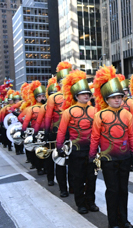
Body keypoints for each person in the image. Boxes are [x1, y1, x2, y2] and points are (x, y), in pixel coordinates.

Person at [90, 66, 133, 228]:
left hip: (124, 158)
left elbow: (130, 136)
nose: (117, 100)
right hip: (108, 159)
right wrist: (92, 155)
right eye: (113, 98)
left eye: (119, 97)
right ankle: (113, 222)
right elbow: (95, 137)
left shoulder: (127, 114)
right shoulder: (100, 115)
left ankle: (124, 219)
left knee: (123, 189)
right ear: (107, 99)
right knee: (112, 190)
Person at [57, 70, 98, 214]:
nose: (86, 96)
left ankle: (91, 202)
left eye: (88, 93)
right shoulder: (68, 112)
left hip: (92, 150)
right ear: (76, 96)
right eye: (82, 94)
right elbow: (61, 131)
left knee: (92, 178)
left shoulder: (95, 110)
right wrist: (59, 147)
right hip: (76, 151)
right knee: (78, 178)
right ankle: (80, 203)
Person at [42, 62, 72, 197]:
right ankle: (63, 188)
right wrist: (47, 132)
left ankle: (73, 186)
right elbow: (48, 116)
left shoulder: (75, 96)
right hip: (56, 133)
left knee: (73, 162)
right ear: (59, 83)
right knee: (60, 161)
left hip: (73, 133)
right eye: (62, 81)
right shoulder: (53, 97)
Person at [22, 82, 47, 176]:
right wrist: (23, 130)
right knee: (38, 151)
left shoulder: (49, 107)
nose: (42, 98)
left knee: (46, 151)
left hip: (46, 132)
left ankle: (46, 168)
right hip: (36, 132)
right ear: (36, 98)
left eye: (43, 96)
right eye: (39, 96)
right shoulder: (31, 109)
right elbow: (26, 121)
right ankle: (39, 168)